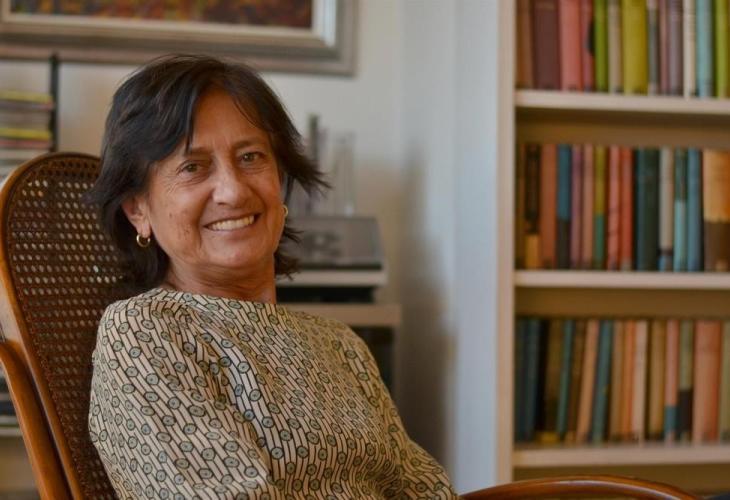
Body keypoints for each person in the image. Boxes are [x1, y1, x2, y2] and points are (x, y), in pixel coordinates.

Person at [85, 54, 457, 499]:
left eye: (250, 157)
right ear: (137, 210)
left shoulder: (341, 345)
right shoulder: (144, 333)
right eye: (193, 167)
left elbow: (424, 490)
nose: (233, 190)